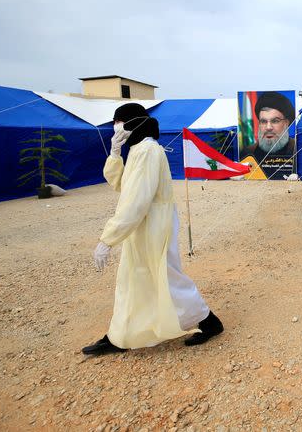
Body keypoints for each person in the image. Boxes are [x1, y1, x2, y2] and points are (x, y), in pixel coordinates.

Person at [82, 103, 224, 355]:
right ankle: (119, 336)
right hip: (144, 225)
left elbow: (136, 200)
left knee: (166, 278)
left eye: (118, 122)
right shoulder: (137, 150)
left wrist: (108, 239)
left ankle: (208, 322)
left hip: (154, 225)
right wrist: (115, 154)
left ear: (131, 123)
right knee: (136, 279)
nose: (115, 128)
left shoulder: (148, 150)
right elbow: (122, 186)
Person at [239, 91, 296, 179]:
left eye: (275, 121)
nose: (268, 127)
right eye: (263, 121)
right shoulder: (248, 153)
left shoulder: (296, 150)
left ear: (286, 123)